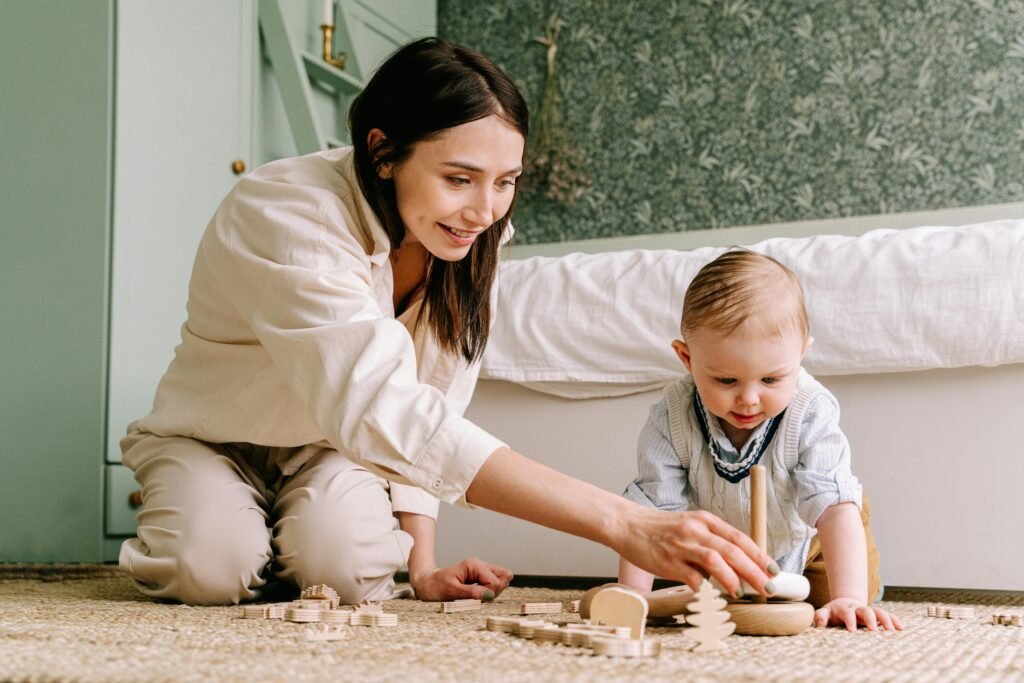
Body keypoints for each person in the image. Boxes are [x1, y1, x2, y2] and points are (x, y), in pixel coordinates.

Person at [118, 37, 774, 607]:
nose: (484, 211)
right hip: (212, 437)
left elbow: (431, 399)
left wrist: (423, 567)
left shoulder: (468, 239)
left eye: (505, 181)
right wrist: (624, 522)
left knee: (346, 571)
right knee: (209, 566)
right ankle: (231, 526)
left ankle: (285, 540)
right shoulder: (290, 214)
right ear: (383, 152)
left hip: (328, 449)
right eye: (460, 179)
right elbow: (385, 408)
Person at [617, 249, 904, 631]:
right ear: (687, 359)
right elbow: (648, 517)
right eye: (726, 380)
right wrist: (632, 598)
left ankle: (855, 589)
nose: (749, 399)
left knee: (831, 603)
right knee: (722, 600)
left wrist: (848, 597)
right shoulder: (672, 417)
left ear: (800, 355)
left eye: (771, 379)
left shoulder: (811, 410)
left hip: (815, 537)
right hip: (732, 549)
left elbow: (833, 509)